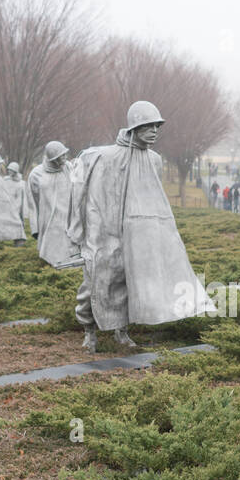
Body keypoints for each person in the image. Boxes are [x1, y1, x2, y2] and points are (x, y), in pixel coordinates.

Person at [68, 100, 213, 352]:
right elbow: (78, 193)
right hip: (102, 232)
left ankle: (121, 332)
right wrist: (79, 232)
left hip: (137, 235)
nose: (155, 131)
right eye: (149, 126)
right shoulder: (101, 156)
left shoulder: (154, 160)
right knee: (95, 283)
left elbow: (154, 200)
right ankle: (89, 331)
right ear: (135, 127)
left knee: (127, 283)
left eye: (157, 126)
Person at [27, 140, 77, 266]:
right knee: (52, 249)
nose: (65, 158)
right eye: (61, 156)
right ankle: (52, 268)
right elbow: (33, 203)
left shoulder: (69, 168)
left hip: (69, 216)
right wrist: (35, 227)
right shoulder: (36, 174)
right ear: (53, 158)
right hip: (49, 218)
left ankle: (68, 269)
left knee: (70, 248)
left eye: (65, 154)